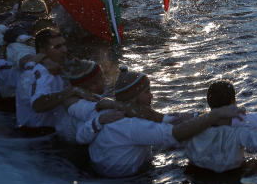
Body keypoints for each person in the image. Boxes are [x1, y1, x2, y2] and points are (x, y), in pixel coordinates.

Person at [84, 68, 244, 177]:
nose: (152, 96)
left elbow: (166, 119)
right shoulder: (133, 126)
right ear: (133, 98)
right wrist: (214, 115)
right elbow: (176, 133)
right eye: (147, 92)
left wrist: (201, 115)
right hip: (125, 183)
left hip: (102, 173)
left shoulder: (111, 111)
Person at [15, 28, 87, 131]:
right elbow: (38, 104)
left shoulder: (58, 65)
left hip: (48, 133)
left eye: (64, 45)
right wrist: (72, 91)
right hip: (36, 137)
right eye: (57, 47)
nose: (64, 50)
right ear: (43, 51)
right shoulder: (40, 71)